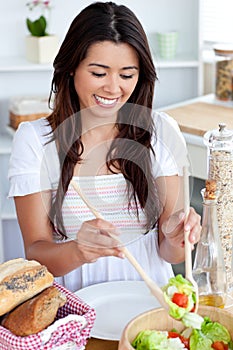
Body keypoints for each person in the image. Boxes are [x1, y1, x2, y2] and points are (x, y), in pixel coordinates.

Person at [8, 1, 201, 292]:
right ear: (71, 68)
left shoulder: (160, 131)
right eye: (99, 73)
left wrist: (176, 239)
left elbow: (168, 252)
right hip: (74, 310)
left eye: (127, 75)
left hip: (149, 303)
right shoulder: (35, 140)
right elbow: (36, 254)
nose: (113, 89)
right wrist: (77, 251)